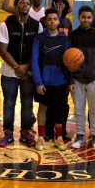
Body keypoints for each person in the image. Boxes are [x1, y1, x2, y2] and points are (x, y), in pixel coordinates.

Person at [0, 0, 43, 148]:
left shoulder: (37, 25)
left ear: (30, 6)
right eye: (21, 3)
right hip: (10, 72)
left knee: (27, 104)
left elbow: (39, 50)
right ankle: (8, 134)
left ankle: (25, 133)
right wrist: (17, 67)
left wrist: (26, 67)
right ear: (16, 6)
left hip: (29, 72)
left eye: (27, 3)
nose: (25, 5)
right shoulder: (6, 25)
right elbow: (2, 50)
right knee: (8, 103)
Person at [31, 8, 71, 151]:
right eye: (49, 19)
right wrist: (38, 82)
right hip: (44, 81)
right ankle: (41, 137)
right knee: (43, 108)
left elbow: (69, 61)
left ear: (59, 21)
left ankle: (58, 137)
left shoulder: (64, 38)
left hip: (61, 81)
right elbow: (34, 61)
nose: (52, 21)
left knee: (60, 109)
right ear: (45, 21)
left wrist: (70, 81)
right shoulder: (39, 38)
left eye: (55, 19)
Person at [70, 6, 95, 150]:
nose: (86, 20)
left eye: (89, 17)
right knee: (78, 110)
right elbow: (68, 59)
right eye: (83, 17)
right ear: (79, 17)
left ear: (92, 18)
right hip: (77, 79)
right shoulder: (73, 35)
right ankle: (80, 137)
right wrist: (70, 79)